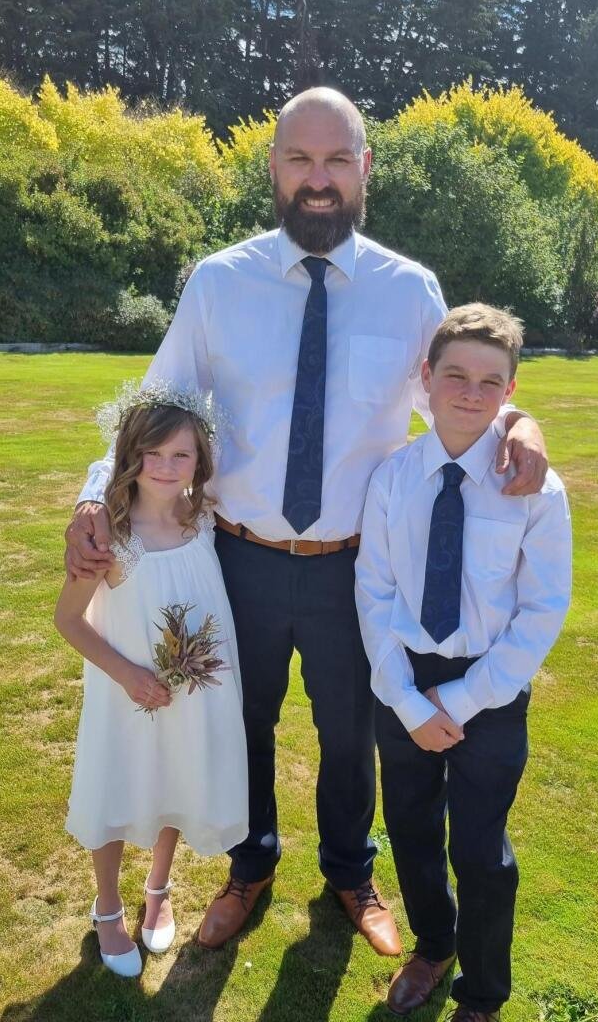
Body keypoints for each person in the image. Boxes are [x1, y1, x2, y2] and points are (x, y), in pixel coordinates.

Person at [64, 87, 550, 956]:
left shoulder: (410, 291)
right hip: (237, 558)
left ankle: (350, 872)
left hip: (354, 567)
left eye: (336, 161)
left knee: (349, 731)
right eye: (300, 159)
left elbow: (463, 390)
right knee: (237, 721)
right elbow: (152, 405)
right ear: (275, 167)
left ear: (364, 169)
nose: (317, 180)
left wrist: (523, 422)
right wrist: (93, 496)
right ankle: (248, 867)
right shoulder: (220, 282)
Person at [355, 303, 572, 1022]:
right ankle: (433, 943)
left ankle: (479, 1000)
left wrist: (467, 701)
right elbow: (373, 593)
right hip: (403, 681)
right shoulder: (394, 478)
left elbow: (543, 608)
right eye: (455, 375)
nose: (470, 393)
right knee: (410, 826)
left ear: (511, 390)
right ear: (427, 380)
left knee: (480, 849)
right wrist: (413, 705)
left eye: (490, 381)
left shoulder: (536, 491)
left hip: (490, 689)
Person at [54, 385, 248, 977]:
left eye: (180, 456)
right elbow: (67, 619)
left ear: (200, 462)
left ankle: (158, 888)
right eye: (151, 454)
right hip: (127, 692)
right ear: (129, 455)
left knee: (176, 778)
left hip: (194, 690)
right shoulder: (110, 535)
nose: (165, 468)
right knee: (118, 785)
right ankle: (107, 906)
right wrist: (128, 674)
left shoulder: (205, 517)